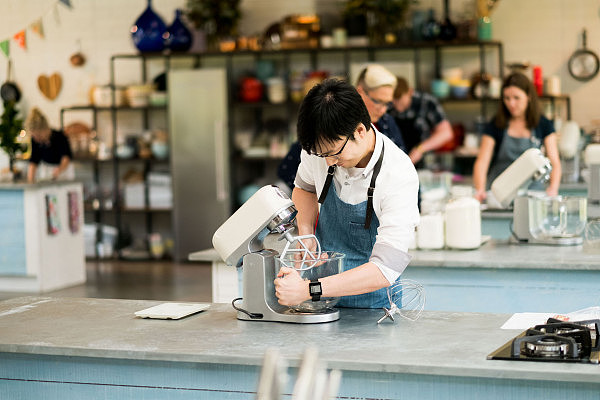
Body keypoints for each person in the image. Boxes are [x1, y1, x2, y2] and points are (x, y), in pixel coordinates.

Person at [274, 78, 419, 309]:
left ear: (360, 131)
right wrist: (306, 232)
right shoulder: (320, 149)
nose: (329, 162)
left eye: (334, 153)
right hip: (320, 304)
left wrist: (309, 289)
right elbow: (304, 188)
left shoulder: (398, 173)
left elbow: (385, 269)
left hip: (374, 309)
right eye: (322, 155)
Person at [277, 64, 405, 190]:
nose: (382, 109)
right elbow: (288, 169)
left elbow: (401, 168)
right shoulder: (330, 122)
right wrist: (315, 198)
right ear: (360, 92)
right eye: (377, 101)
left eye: (387, 103)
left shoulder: (388, 125)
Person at [472, 72, 561, 202]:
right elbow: (482, 161)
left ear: (528, 97)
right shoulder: (496, 124)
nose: (511, 104)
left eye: (516, 98)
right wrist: (480, 189)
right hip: (499, 195)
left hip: (533, 195)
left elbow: (554, 161)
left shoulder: (543, 124)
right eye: (507, 98)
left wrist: (553, 188)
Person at [388, 76, 454, 165]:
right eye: (393, 101)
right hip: (394, 162)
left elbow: (446, 133)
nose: (396, 106)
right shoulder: (387, 105)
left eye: (400, 101)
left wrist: (420, 149)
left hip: (424, 162)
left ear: (410, 92)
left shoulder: (427, 102)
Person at [26, 107, 74, 183]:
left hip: (63, 172)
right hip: (46, 172)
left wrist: (59, 169)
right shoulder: (35, 141)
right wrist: (30, 181)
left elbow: (66, 157)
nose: (36, 139)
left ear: (45, 129)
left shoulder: (60, 136)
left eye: (38, 136)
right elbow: (34, 161)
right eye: (34, 136)